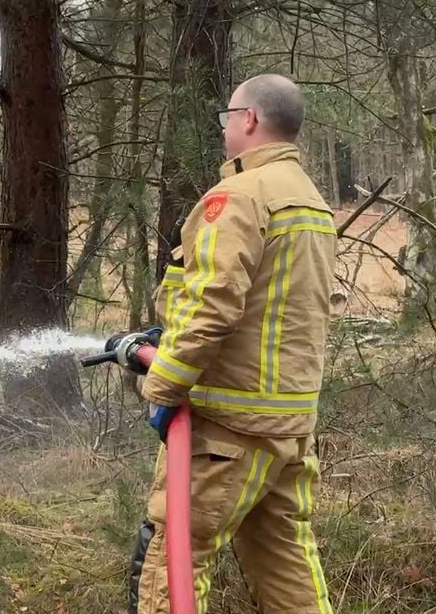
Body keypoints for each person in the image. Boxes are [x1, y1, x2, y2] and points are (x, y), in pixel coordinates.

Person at [131, 74, 337, 614]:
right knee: (286, 560)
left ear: (247, 120)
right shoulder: (310, 200)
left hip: (228, 427)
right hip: (289, 426)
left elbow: (213, 302)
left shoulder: (240, 195)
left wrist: (164, 382)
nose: (225, 129)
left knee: (178, 555)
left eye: (228, 117)